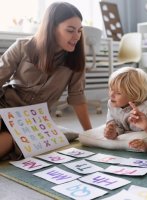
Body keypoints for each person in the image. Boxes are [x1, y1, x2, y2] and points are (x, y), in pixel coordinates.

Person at [0, 2, 92, 160]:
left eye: (79, 31)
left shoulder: (75, 61)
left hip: (33, 122)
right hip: (5, 108)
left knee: (8, 140)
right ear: (51, 28)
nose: (76, 36)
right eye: (70, 30)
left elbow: (77, 98)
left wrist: (91, 135)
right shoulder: (23, 46)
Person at [104, 66, 147, 152]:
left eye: (118, 93)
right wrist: (113, 131)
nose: (111, 95)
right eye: (111, 89)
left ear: (133, 96)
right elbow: (115, 123)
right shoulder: (112, 103)